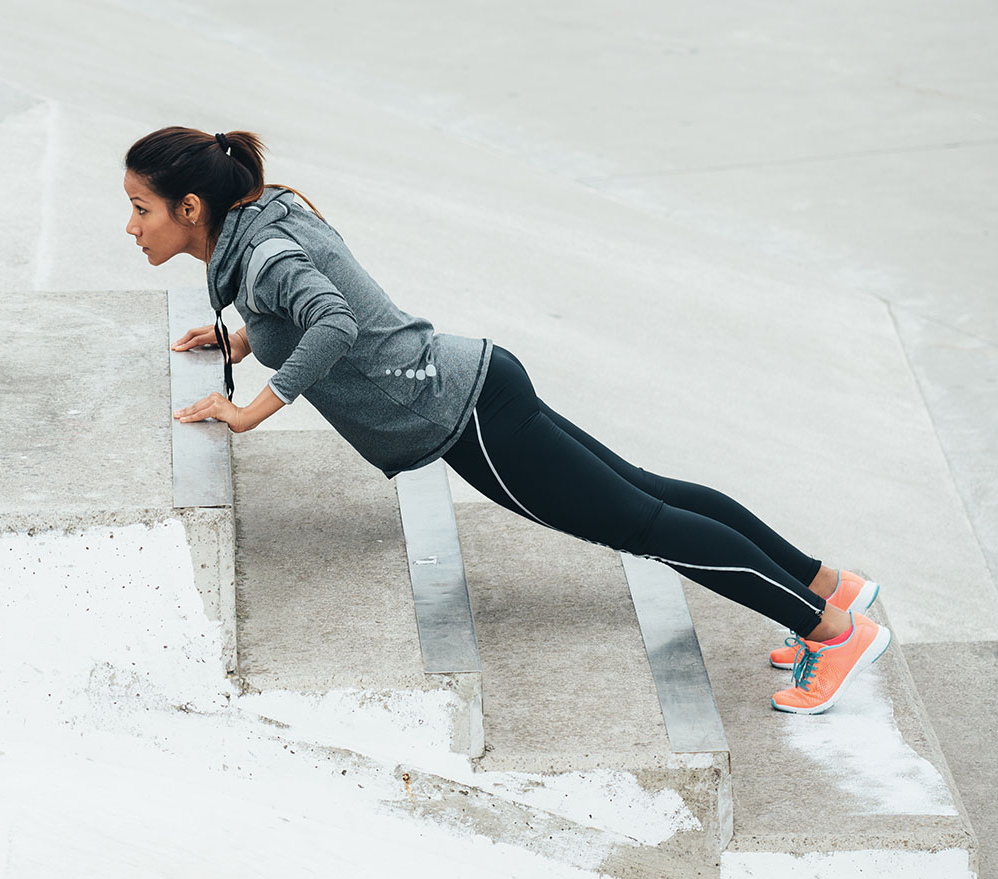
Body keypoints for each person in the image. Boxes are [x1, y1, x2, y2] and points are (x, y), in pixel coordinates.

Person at [123, 126, 891, 715]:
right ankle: (831, 585)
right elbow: (315, 305)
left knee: (647, 526)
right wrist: (242, 336)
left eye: (139, 209)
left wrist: (256, 405)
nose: (132, 227)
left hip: (462, 416)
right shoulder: (264, 219)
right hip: (480, 379)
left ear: (190, 209)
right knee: (651, 496)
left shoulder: (259, 256)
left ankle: (832, 631)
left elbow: (331, 322)